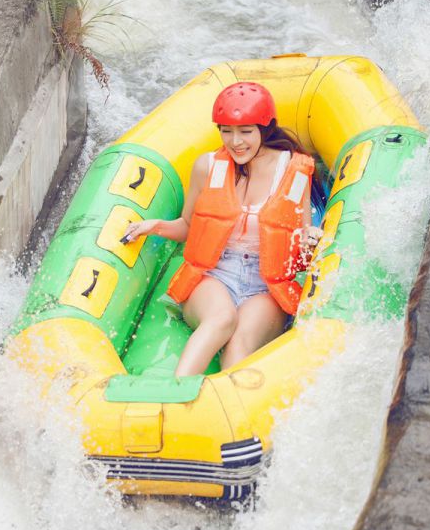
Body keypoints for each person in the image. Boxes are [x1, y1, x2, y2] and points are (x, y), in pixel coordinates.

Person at [122, 82, 324, 378]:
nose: (235, 141)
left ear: (265, 129)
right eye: (226, 131)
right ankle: (175, 394)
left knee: (239, 341)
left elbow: (300, 243)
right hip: (214, 275)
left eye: (245, 131)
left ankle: (232, 417)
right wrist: (154, 226)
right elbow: (189, 226)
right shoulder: (207, 166)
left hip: (266, 285)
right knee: (221, 319)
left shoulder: (294, 171)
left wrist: (310, 241)